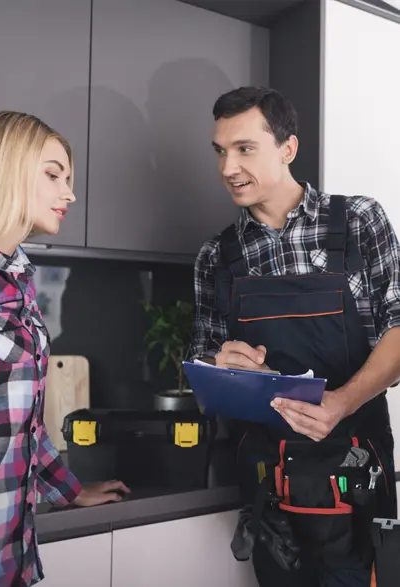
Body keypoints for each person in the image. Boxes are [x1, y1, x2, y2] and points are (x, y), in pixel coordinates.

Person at [189, 86, 400, 587]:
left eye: (244, 149)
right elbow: (201, 362)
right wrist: (223, 366)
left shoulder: (358, 222)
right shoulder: (216, 257)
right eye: (220, 151)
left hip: (355, 470)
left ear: (288, 149)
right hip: (271, 485)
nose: (227, 168)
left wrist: (342, 401)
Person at [0, 111, 130, 587]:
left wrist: (68, 489)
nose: (70, 193)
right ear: (5, 171)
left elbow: (22, 423)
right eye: (53, 174)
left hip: (6, 557)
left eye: (69, 179)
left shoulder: (19, 285)